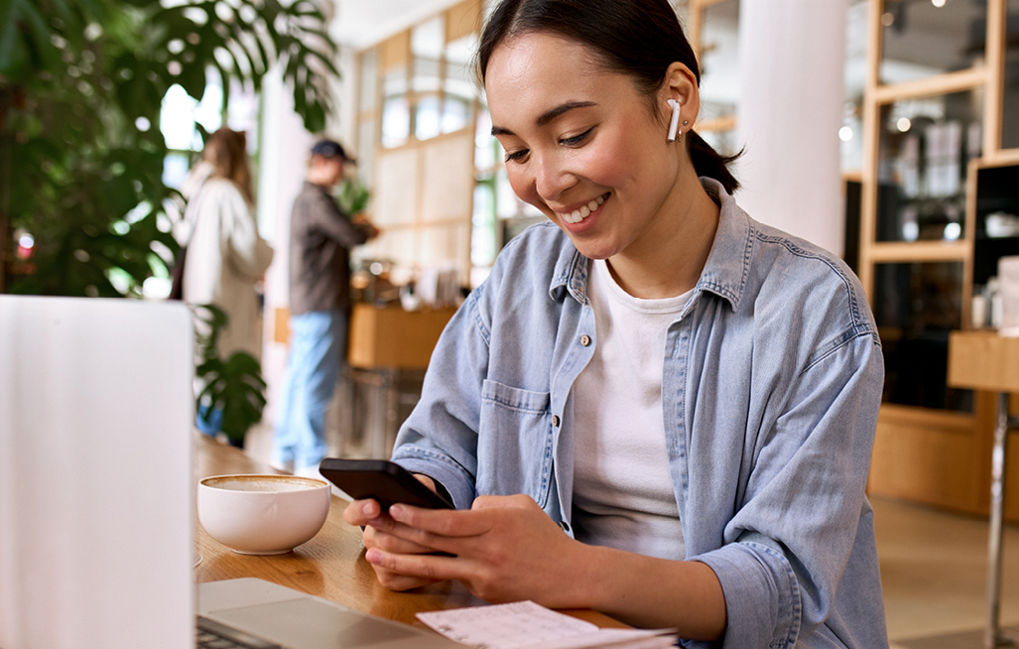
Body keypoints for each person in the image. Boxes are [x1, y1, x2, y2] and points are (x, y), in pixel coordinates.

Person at [343, 1, 887, 647]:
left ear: (676, 99)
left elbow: (783, 588)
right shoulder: (524, 274)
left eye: (573, 134)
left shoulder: (812, 308)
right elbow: (442, 442)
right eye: (516, 150)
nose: (545, 181)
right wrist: (419, 504)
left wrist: (567, 572)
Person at [274, 139, 379, 475]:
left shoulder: (301, 200)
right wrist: (366, 227)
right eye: (338, 164)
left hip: (307, 303)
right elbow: (351, 235)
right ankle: (310, 459)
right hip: (322, 304)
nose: (341, 172)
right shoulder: (317, 201)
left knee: (298, 379)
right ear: (320, 161)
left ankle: (286, 450)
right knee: (314, 383)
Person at [176, 127, 274, 443]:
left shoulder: (196, 194)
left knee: (205, 395)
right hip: (227, 313)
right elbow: (251, 256)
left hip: (200, 310)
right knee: (228, 403)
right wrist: (269, 249)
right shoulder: (227, 194)